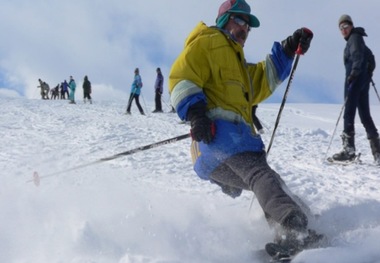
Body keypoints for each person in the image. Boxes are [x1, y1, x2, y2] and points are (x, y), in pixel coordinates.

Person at [169, 0, 319, 252]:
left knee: (268, 183)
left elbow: (262, 79)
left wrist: (288, 48)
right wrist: (196, 114)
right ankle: (295, 228)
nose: (244, 29)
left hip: (214, 155)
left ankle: (293, 229)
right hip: (220, 137)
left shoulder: (236, 62)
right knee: (262, 176)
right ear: (224, 20)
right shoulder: (208, 41)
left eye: (248, 26)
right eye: (240, 21)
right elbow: (182, 76)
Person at [332, 15, 380, 165]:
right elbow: (370, 57)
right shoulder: (358, 38)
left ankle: (349, 150)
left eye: (345, 26)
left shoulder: (354, 39)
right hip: (362, 80)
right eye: (341, 28)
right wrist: (368, 72)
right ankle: (377, 151)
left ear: (351, 26)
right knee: (365, 115)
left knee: (349, 112)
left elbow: (358, 56)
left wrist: (354, 73)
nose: (343, 30)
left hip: (354, 79)